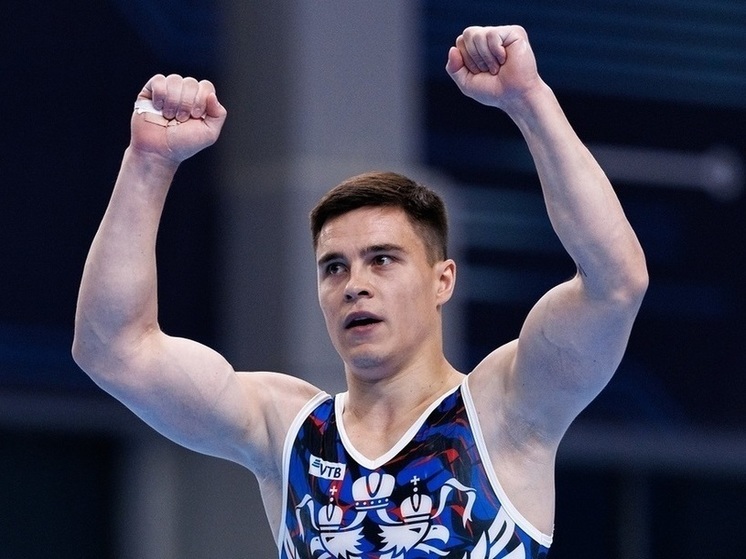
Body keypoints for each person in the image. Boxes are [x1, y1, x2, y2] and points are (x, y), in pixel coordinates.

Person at [73, 25, 647, 558]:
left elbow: (616, 283)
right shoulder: (288, 432)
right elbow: (113, 349)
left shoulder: (506, 411)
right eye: (334, 268)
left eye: (382, 260)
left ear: (442, 279)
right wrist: (149, 162)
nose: (355, 286)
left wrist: (529, 100)